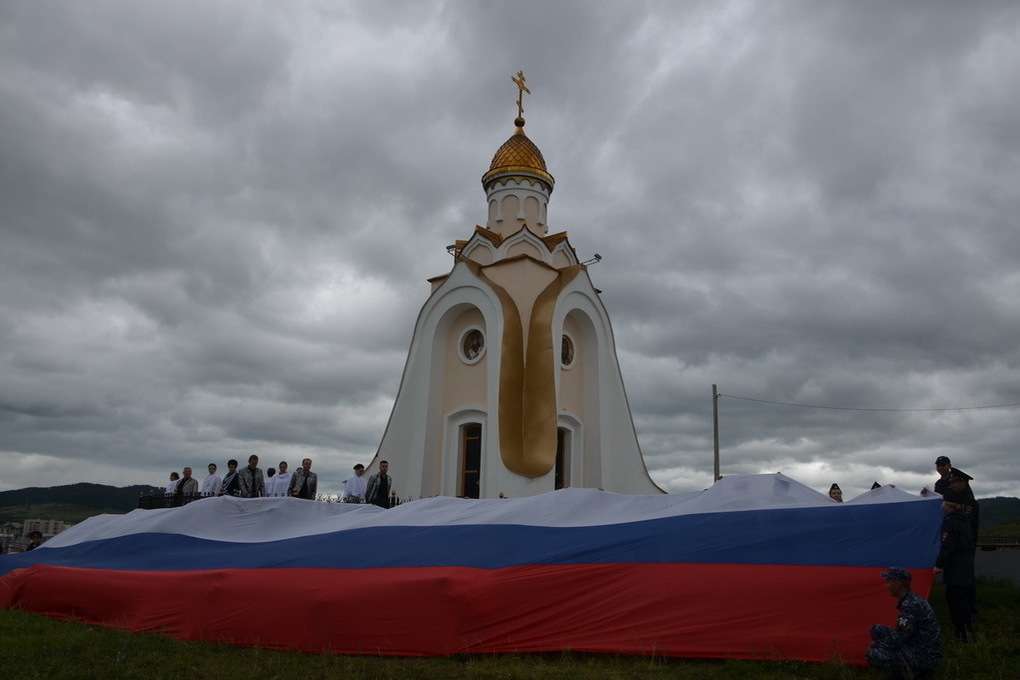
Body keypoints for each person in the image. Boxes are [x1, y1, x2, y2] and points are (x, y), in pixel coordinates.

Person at [865, 567, 941, 679]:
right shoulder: (911, 599)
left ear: (897, 584)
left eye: (888, 582)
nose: (886, 586)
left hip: (924, 655)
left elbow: (899, 638)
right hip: (918, 645)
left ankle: (909, 672)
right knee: (877, 629)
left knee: (873, 655)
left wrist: (877, 646)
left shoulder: (911, 605)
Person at [936, 489, 976, 642]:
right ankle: (966, 633)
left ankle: (963, 636)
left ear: (949, 506)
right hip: (966, 568)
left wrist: (939, 565)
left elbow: (947, 546)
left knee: (956, 601)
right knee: (964, 600)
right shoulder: (963, 520)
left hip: (956, 569)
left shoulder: (950, 522)